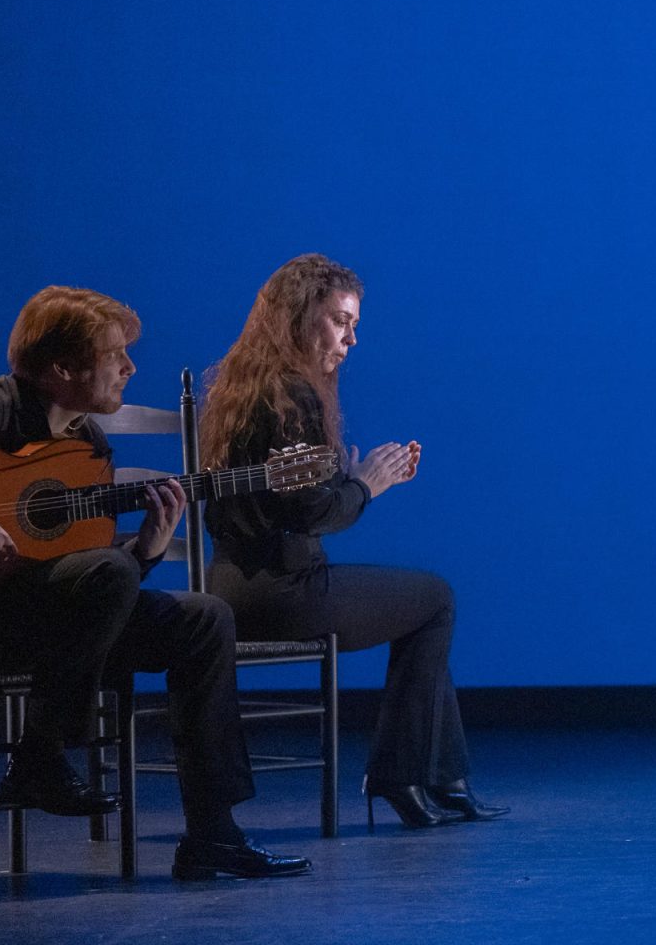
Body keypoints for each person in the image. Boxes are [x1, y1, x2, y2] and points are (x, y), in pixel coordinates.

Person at [0, 285, 312, 880]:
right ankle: (42, 758)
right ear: (62, 369)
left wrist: (147, 547)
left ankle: (213, 835)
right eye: (115, 355)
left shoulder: (87, 445)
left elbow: (81, 572)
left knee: (206, 617)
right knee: (111, 571)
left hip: (47, 627)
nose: (130, 368)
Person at [199, 253, 506, 830]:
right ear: (300, 314)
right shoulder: (296, 394)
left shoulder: (242, 387)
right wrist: (368, 485)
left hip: (230, 591)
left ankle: (441, 777)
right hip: (284, 594)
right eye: (341, 320)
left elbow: (286, 501)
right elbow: (313, 516)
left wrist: (347, 478)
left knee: (423, 602)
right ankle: (405, 776)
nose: (351, 338)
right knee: (435, 598)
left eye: (355, 325)